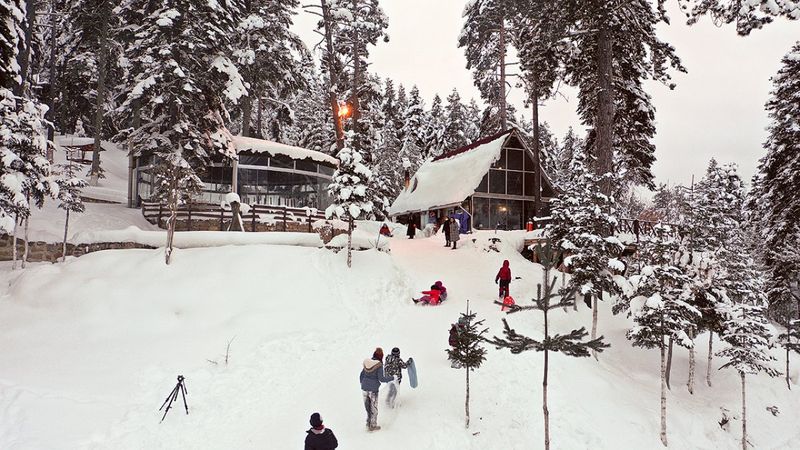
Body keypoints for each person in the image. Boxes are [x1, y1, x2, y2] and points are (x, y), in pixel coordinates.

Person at [359, 347, 394, 431]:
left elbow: (361, 375)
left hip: (364, 388)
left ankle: (368, 423)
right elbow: (381, 379)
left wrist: (363, 383)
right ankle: (373, 425)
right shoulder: (379, 365)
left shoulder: (367, 363)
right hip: (373, 390)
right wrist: (392, 378)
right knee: (373, 408)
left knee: (368, 407)